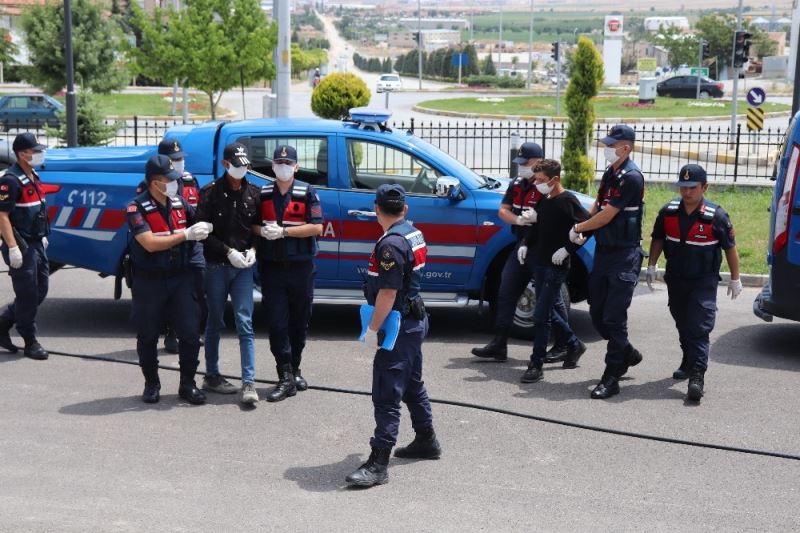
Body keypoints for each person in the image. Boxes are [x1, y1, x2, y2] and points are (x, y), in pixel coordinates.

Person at [346, 184, 441, 488]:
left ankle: (378, 463)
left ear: (376, 209)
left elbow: (388, 291)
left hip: (399, 325)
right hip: (415, 320)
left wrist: (373, 328)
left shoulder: (390, 245)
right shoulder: (412, 232)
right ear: (405, 209)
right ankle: (426, 440)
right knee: (412, 384)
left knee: (387, 391)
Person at [646, 164, 741, 402]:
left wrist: (735, 278)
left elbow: (730, 248)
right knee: (682, 322)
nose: (687, 192)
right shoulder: (668, 212)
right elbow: (657, 239)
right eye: (683, 187)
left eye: (692, 187)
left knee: (699, 326)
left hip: (703, 281)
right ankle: (688, 360)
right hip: (676, 279)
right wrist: (651, 265)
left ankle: (697, 376)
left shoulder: (716, 215)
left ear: (704, 187)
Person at [126, 154, 212, 404]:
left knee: (189, 332)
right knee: (148, 334)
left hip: (181, 277)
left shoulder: (179, 203)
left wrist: (208, 226)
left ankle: (188, 384)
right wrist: (185, 235)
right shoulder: (136, 208)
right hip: (149, 280)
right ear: (155, 182)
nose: (175, 183)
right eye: (169, 179)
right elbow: (150, 243)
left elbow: (200, 219)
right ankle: (151, 383)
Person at [570, 124, 645, 400]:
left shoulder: (632, 178)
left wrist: (580, 230)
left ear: (625, 147)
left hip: (624, 255)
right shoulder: (610, 173)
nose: (606, 149)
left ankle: (611, 376)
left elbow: (608, 215)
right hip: (604, 252)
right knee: (597, 314)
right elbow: (597, 207)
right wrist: (583, 227)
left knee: (614, 317)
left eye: (611, 145)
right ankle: (625, 351)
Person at [253, 145, 323, 402]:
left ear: (296, 167)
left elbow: (316, 226)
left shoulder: (307, 192)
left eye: (288, 163)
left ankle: (294, 369)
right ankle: (284, 376)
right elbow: (252, 224)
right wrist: (262, 232)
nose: (283, 167)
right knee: (277, 323)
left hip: (301, 268)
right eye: (278, 162)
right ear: (272, 166)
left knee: (300, 322)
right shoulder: (264, 193)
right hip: (272, 268)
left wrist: (284, 232)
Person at [196, 143, 260, 404]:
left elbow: (256, 229)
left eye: (244, 166)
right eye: (236, 166)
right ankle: (211, 375)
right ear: (225, 165)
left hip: (243, 268)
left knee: (245, 322)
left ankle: (249, 382)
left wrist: (254, 250)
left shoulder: (253, 193)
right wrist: (227, 252)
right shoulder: (210, 193)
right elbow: (202, 233)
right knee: (214, 321)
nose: (241, 171)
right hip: (217, 267)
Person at [520, 160, 589, 383]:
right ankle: (574, 344)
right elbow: (537, 226)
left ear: (555, 179)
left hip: (555, 266)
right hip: (539, 262)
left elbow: (587, 227)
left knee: (540, 316)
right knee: (548, 310)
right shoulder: (545, 199)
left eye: (540, 180)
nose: (536, 184)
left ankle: (536, 363)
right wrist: (525, 243)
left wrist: (569, 249)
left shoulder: (568, 201)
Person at [0, 133, 51, 360]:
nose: (39, 154)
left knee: (40, 290)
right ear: (22, 154)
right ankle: (30, 340)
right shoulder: (10, 180)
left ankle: (2, 323)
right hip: (21, 245)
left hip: (36, 242)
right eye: (35, 150)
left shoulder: (33, 175)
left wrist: (42, 236)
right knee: (28, 293)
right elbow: (2, 216)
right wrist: (12, 247)